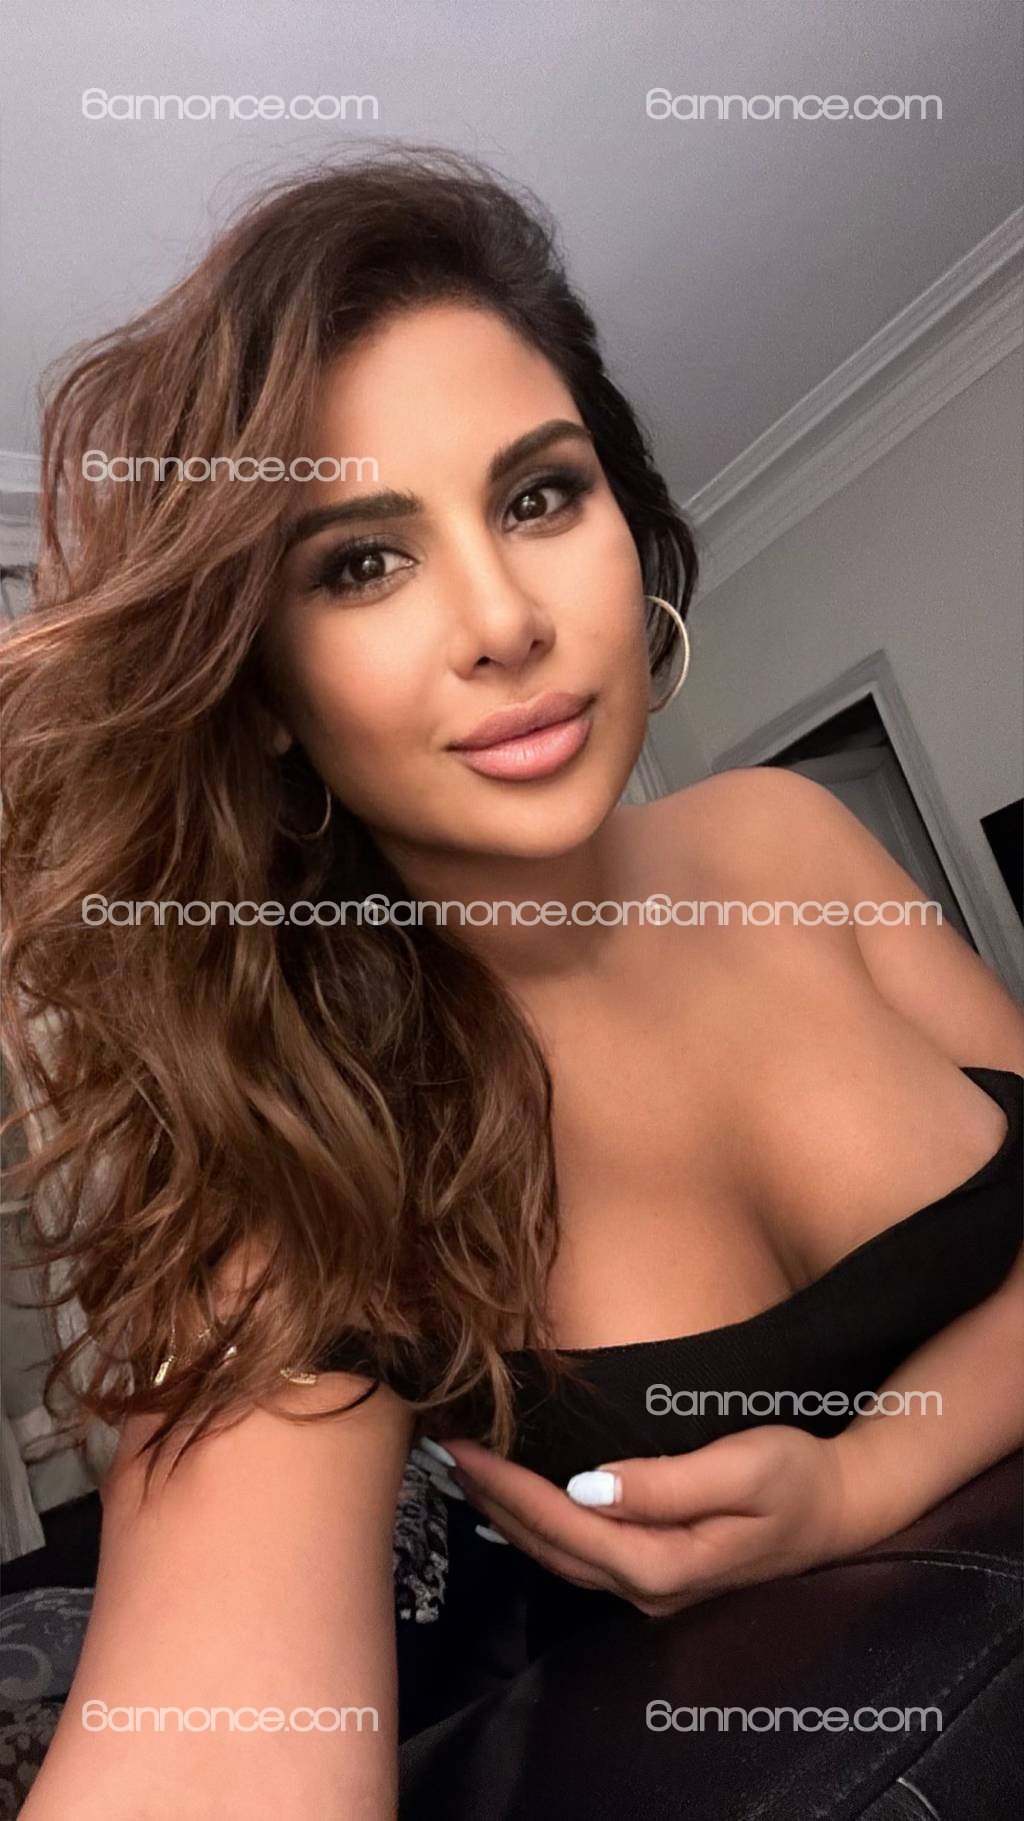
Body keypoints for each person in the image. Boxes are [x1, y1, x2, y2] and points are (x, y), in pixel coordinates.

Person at [3, 144, 1022, 1821]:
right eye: (360, 562)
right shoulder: (303, 1147)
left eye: (539, 496)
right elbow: (208, 1753)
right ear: (266, 694)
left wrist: (858, 1480)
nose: (500, 619)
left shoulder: (787, 836)